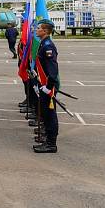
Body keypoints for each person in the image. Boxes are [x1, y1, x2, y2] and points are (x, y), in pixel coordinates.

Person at [33, 19, 60, 153]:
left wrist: (48, 87)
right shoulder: (43, 43)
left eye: (38, 28)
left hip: (48, 86)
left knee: (50, 115)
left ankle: (51, 144)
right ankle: (47, 139)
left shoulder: (48, 46)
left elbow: (52, 70)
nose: (36, 30)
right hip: (43, 84)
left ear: (45, 31)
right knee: (45, 113)